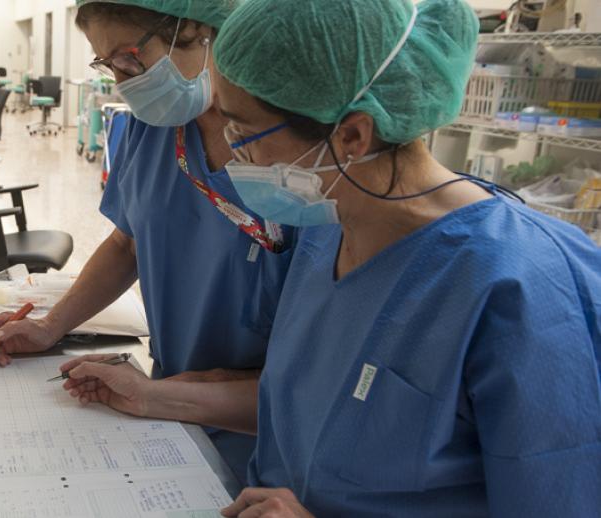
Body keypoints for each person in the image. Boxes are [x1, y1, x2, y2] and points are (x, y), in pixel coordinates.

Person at [63, 0, 601, 516]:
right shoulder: (328, 236)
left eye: (243, 133)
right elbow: (300, 412)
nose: (232, 155)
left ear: (351, 135)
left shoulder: (524, 289)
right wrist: (150, 398)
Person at [0, 0, 294, 486]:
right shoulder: (154, 127)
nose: (123, 82)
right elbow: (128, 244)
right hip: (164, 400)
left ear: (201, 30)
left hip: (262, 430)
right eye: (108, 64)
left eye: (129, 57)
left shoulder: (297, 158)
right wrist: (49, 327)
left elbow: (316, 379)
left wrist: (167, 396)